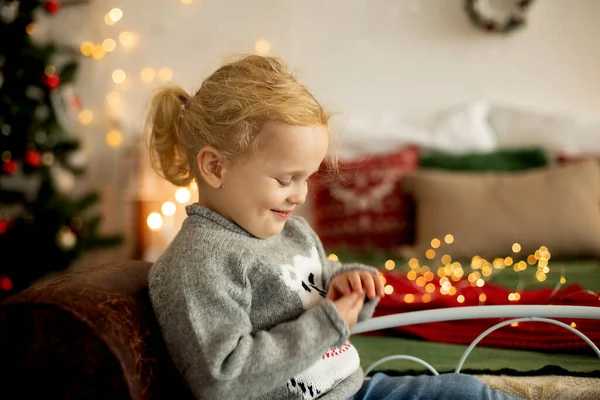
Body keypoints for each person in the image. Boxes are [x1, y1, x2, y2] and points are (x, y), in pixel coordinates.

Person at [146, 54, 520, 400]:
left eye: (306, 178)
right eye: (285, 179)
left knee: (469, 392)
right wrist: (328, 321)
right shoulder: (198, 262)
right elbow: (222, 380)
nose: (299, 195)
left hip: (354, 389)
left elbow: (308, 288)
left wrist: (346, 281)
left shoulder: (292, 232)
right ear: (215, 167)